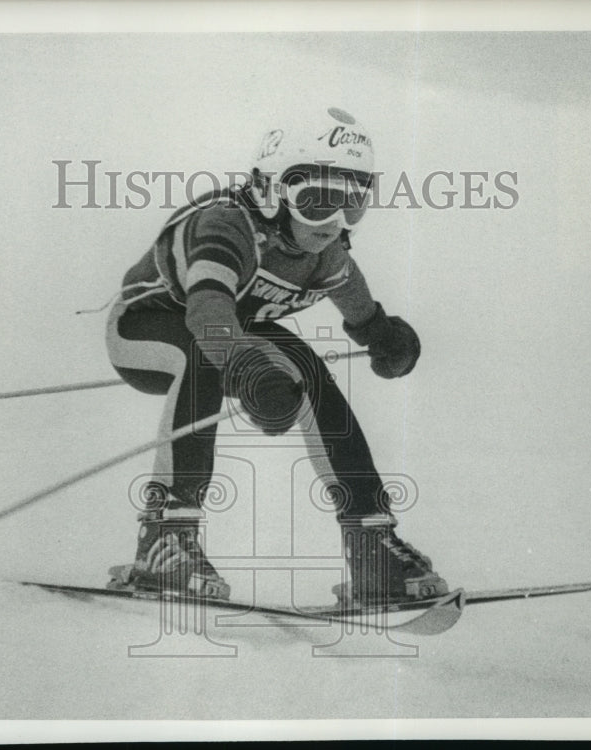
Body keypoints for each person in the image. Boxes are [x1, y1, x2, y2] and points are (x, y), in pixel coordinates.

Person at [104, 106, 446, 606]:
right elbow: (207, 307)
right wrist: (246, 367)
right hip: (146, 329)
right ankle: (165, 536)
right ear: (270, 191)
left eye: (353, 203)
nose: (333, 222)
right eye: (315, 201)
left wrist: (378, 332)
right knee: (200, 354)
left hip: (232, 336)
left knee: (309, 369)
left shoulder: (324, 249)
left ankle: (370, 539)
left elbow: (349, 287)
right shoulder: (226, 224)